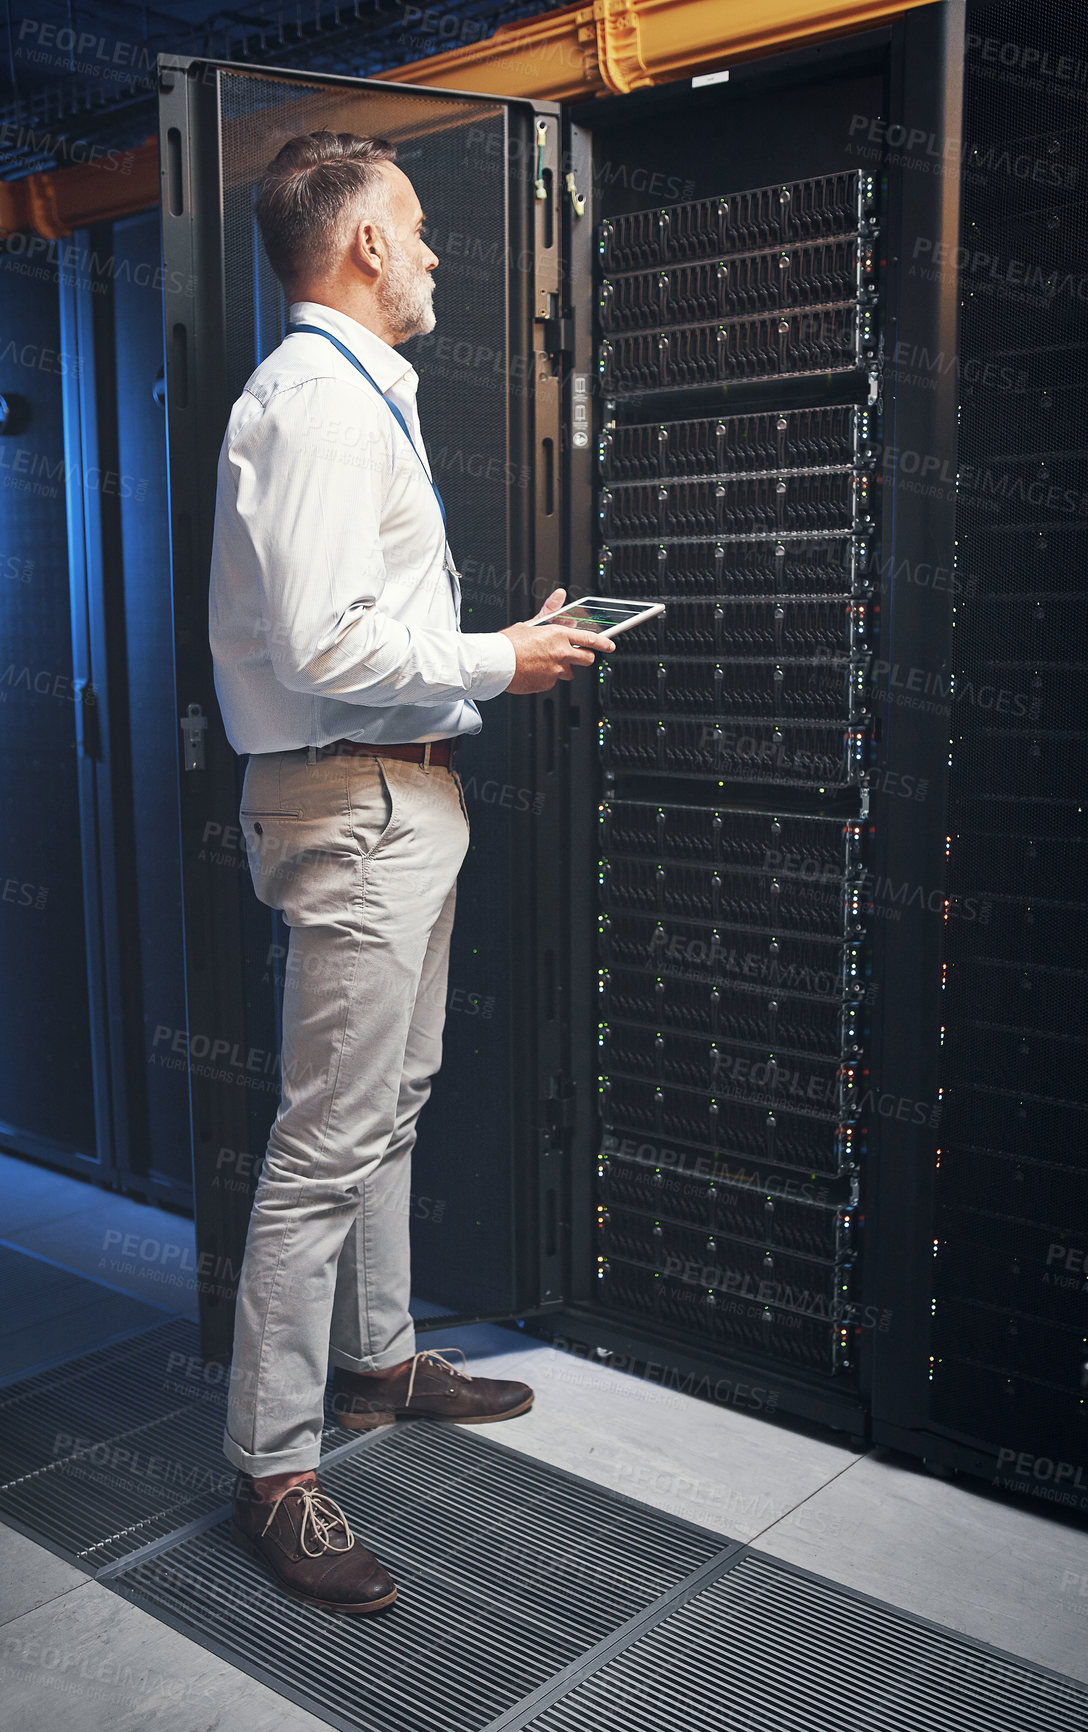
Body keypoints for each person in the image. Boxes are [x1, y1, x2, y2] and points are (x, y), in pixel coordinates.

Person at [208, 127, 614, 1613]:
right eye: (423, 229)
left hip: (401, 798)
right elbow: (323, 645)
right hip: (360, 807)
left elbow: (358, 627)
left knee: (391, 1104)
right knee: (326, 1142)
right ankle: (274, 1473)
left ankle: (376, 1365)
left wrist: (489, 654)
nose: (437, 251)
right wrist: (495, 658)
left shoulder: (358, 397)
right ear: (364, 243)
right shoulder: (316, 401)